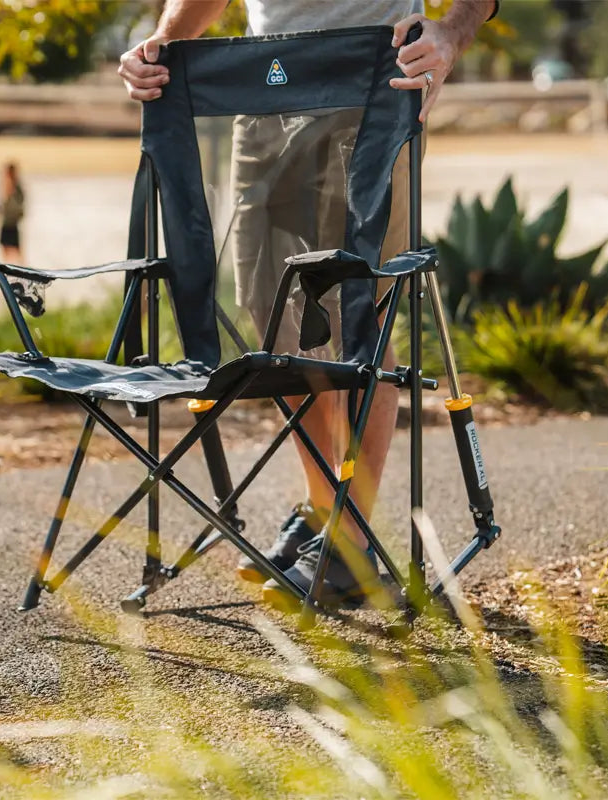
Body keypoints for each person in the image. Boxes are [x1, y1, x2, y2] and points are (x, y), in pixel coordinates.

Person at [119, 0, 498, 610]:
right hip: (260, 87)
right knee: (273, 317)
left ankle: (348, 546)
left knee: (357, 308)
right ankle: (323, 509)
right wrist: (162, 42)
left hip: (374, 77)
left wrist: (451, 34)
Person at [0, 161, 26, 264]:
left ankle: (20, 267)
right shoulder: (7, 185)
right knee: (6, 247)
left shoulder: (16, 187)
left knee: (14, 248)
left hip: (11, 221)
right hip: (7, 221)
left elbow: (17, 203)